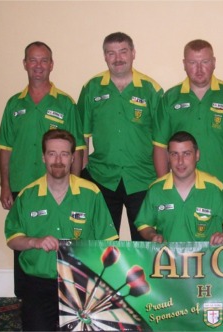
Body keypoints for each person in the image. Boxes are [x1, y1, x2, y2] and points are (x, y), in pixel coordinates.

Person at [4, 129, 118, 331]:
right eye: (52, 153)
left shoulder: (91, 193)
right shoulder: (27, 195)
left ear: (73, 157)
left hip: (80, 284)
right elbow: (13, 238)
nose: (58, 160)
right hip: (38, 283)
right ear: (43, 157)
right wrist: (34, 241)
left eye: (64, 154)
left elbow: (108, 241)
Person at [0, 41, 85, 297]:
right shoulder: (14, 104)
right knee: (23, 238)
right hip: (22, 185)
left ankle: (70, 296)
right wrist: (4, 185)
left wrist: (75, 184)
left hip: (60, 185)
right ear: (25, 64)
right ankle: (27, 296)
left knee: (64, 239)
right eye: (33, 60)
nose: (38, 65)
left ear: (51, 64)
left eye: (44, 60)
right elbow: (5, 148)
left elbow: (78, 149)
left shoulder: (65, 103)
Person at [78, 32, 163, 241]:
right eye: (111, 53)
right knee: (100, 244)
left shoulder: (151, 90)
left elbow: (162, 140)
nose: (118, 58)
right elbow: (82, 139)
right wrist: (83, 176)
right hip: (102, 179)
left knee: (145, 245)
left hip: (143, 180)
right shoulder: (91, 89)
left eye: (123, 51)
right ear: (105, 56)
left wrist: (162, 179)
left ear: (133, 53)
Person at [153, 39, 223, 206]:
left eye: (205, 62)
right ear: (184, 64)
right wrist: (164, 184)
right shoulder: (170, 99)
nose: (199, 69)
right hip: (182, 191)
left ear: (214, 63)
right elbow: (160, 146)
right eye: (193, 62)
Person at [136, 131, 223, 245]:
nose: (180, 161)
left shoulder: (214, 188)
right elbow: (144, 224)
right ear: (168, 157)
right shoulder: (156, 190)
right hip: (167, 261)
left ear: (197, 155)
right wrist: (152, 235)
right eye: (174, 154)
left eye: (186, 154)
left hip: (205, 260)